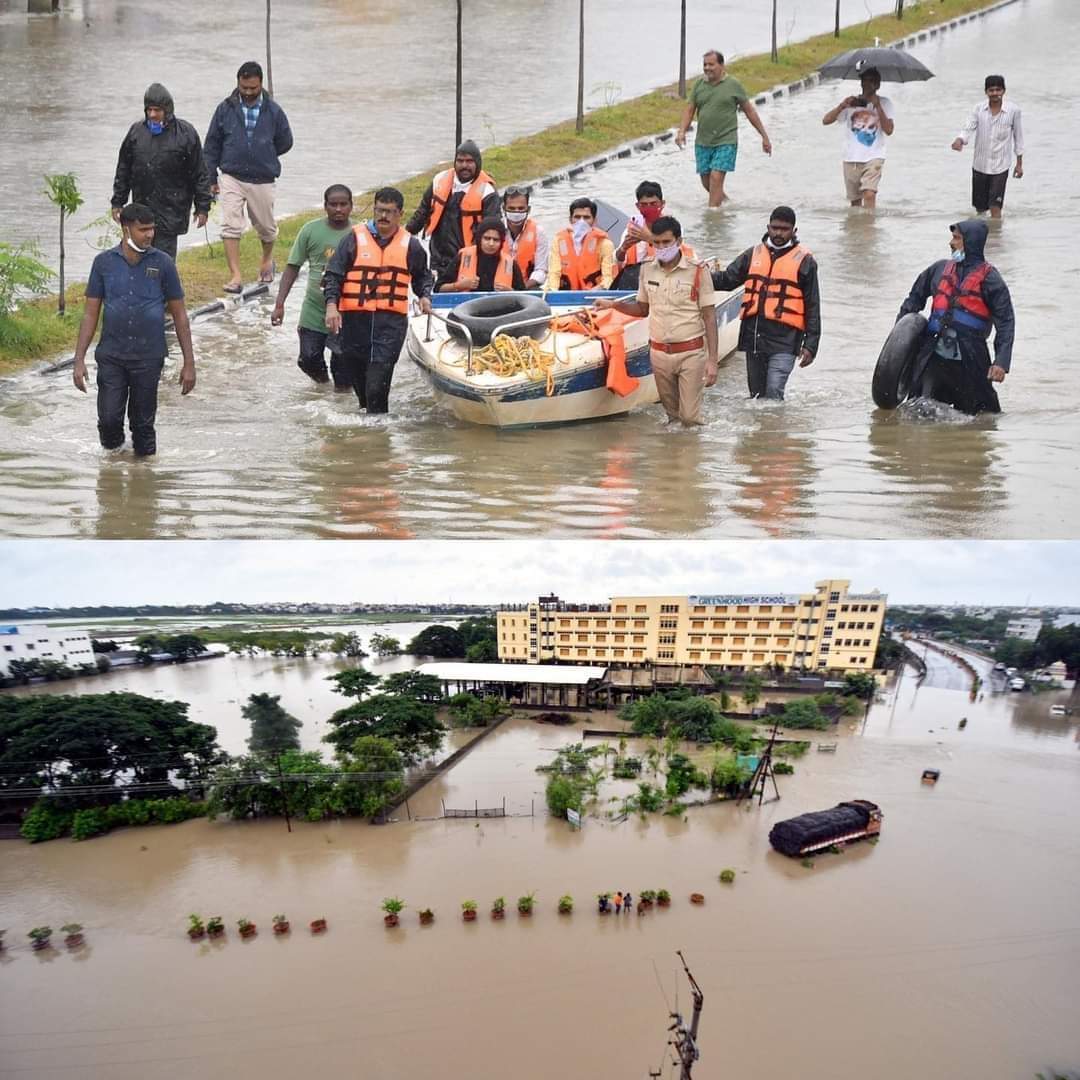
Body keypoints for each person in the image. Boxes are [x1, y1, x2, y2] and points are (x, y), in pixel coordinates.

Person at [71, 204, 196, 456]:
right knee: (108, 421)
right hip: (111, 357)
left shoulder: (163, 264)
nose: (149, 235)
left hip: (149, 358)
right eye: (143, 230)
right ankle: (113, 470)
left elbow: (180, 315)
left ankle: (145, 485)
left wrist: (189, 363)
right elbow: (90, 313)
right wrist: (79, 360)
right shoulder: (103, 263)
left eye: (152, 229)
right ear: (125, 228)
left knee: (143, 427)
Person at [594, 215, 719, 426]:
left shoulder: (697, 271)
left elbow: (709, 316)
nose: (661, 247)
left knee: (689, 417)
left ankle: (691, 456)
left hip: (691, 352)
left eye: (666, 242)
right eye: (657, 243)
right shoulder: (647, 269)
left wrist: (712, 361)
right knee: (672, 418)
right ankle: (673, 456)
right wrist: (613, 305)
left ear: (678, 241)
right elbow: (642, 309)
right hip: (659, 354)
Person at [323, 187, 433, 415]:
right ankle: (368, 432)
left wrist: (424, 296)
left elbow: (422, 275)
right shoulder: (353, 239)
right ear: (374, 210)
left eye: (389, 212)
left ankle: (377, 442)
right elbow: (334, 275)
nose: (384, 216)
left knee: (377, 390)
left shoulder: (410, 245)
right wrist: (332, 305)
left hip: (389, 324)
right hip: (354, 322)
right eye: (380, 211)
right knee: (362, 390)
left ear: (399, 214)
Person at [895, 219, 1014, 415]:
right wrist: (900, 339)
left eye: (957, 238)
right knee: (917, 410)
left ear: (971, 242)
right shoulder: (938, 270)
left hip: (971, 358)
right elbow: (913, 300)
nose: (951, 243)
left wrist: (1001, 361)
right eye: (952, 237)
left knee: (981, 418)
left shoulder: (991, 280)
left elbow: (1006, 322)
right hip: (933, 354)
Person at [710, 206, 821, 401]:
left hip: (786, 340)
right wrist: (697, 276)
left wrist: (811, 344)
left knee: (774, 391)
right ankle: (762, 431)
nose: (779, 233)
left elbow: (812, 304)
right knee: (756, 397)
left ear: (794, 231)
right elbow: (727, 280)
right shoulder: (752, 254)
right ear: (768, 227)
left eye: (784, 229)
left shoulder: (805, 262)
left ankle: (776, 429)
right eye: (775, 228)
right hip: (754, 336)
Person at [203, 61, 294, 293]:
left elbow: (286, 141)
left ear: (260, 84)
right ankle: (235, 276)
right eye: (244, 88)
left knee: (266, 227)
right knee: (230, 224)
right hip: (231, 175)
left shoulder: (274, 111)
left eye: (253, 89)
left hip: (263, 177)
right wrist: (211, 178)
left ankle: (267, 259)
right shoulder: (225, 109)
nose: (248, 93)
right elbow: (212, 145)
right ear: (238, 84)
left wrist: (265, 153)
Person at [110, 83, 211, 261]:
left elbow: (199, 173)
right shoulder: (136, 133)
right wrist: (118, 201)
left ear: (167, 110)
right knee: (137, 254)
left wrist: (202, 206)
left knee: (163, 259)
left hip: (172, 209)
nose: (152, 115)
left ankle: (163, 287)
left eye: (157, 110)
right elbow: (124, 169)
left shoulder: (185, 134)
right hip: (142, 207)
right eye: (149, 110)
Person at [271, 184, 354, 389]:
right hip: (314, 309)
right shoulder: (310, 230)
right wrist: (280, 303)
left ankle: (341, 402)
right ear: (325, 206)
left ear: (351, 206)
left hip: (346, 310)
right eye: (333, 204)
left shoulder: (359, 234)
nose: (338, 209)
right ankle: (323, 387)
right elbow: (292, 267)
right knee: (307, 359)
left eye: (343, 204)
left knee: (342, 366)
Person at [675, 50, 772, 207]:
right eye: (705, 65)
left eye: (711, 64)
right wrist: (681, 132)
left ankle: (713, 219)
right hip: (703, 141)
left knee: (716, 177)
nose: (707, 68)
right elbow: (689, 109)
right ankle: (725, 202)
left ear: (721, 65)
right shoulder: (699, 85)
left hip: (726, 140)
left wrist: (764, 136)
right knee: (707, 181)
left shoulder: (733, 85)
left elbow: (749, 111)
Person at [406, 140, 499, 280]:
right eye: (460, 161)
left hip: (468, 261)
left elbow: (493, 231)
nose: (464, 166)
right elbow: (422, 212)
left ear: (478, 163)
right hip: (437, 259)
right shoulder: (439, 180)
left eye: (469, 161)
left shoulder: (488, 192)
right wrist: (404, 236)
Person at [951, 75, 1023, 219]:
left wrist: (1019, 164)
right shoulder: (978, 109)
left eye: (998, 90)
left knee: (995, 207)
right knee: (980, 209)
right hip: (980, 165)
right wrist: (960, 139)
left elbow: (1018, 138)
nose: (995, 93)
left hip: (1000, 166)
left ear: (1003, 91)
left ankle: (996, 235)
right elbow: (968, 127)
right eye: (991, 90)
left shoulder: (1013, 111)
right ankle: (985, 237)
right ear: (986, 92)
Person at [822, 66, 895, 209]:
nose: (868, 84)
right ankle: (857, 229)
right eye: (865, 81)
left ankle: (869, 228)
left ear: (878, 85)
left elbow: (889, 130)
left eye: (873, 81)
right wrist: (842, 106)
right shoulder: (851, 103)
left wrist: (877, 106)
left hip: (874, 156)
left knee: (869, 194)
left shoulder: (885, 103)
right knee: (855, 203)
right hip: (851, 157)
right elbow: (826, 120)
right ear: (861, 83)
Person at [613, 181, 696, 290]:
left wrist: (649, 238)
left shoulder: (673, 227)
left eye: (653, 204)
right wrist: (623, 248)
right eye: (644, 205)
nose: (649, 208)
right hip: (636, 283)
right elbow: (618, 263)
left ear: (662, 204)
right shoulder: (632, 230)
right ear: (638, 206)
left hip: (666, 282)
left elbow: (677, 259)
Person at [436, 218, 527, 292]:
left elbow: (525, 297)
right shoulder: (462, 257)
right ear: (479, 238)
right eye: (487, 238)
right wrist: (458, 285)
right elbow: (438, 288)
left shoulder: (511, 264)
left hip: (500, 310)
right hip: (466, 308)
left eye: (496, 240)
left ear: (502, 242)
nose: (491, 243)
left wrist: (510, 292)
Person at [546, 198, 617, 291]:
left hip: (594, 296)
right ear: (570, 220)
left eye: (586, 217)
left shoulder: (605, 244)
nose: (581, 222)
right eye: (577, 217)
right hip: (565, 294)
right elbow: (554, 273)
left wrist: (594, 291)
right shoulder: (559, 241)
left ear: (594, 221)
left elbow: (608, 278)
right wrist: (553, 292)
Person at [501, 187, 549, 290]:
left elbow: (541, 270)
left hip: (527, 288)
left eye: (521, 208)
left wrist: (521, 289)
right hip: (498, 287)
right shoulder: (495, 229)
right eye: (512, 209)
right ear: (504, 208)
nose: (516, 213)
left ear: (528, 209)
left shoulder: (538, 232)